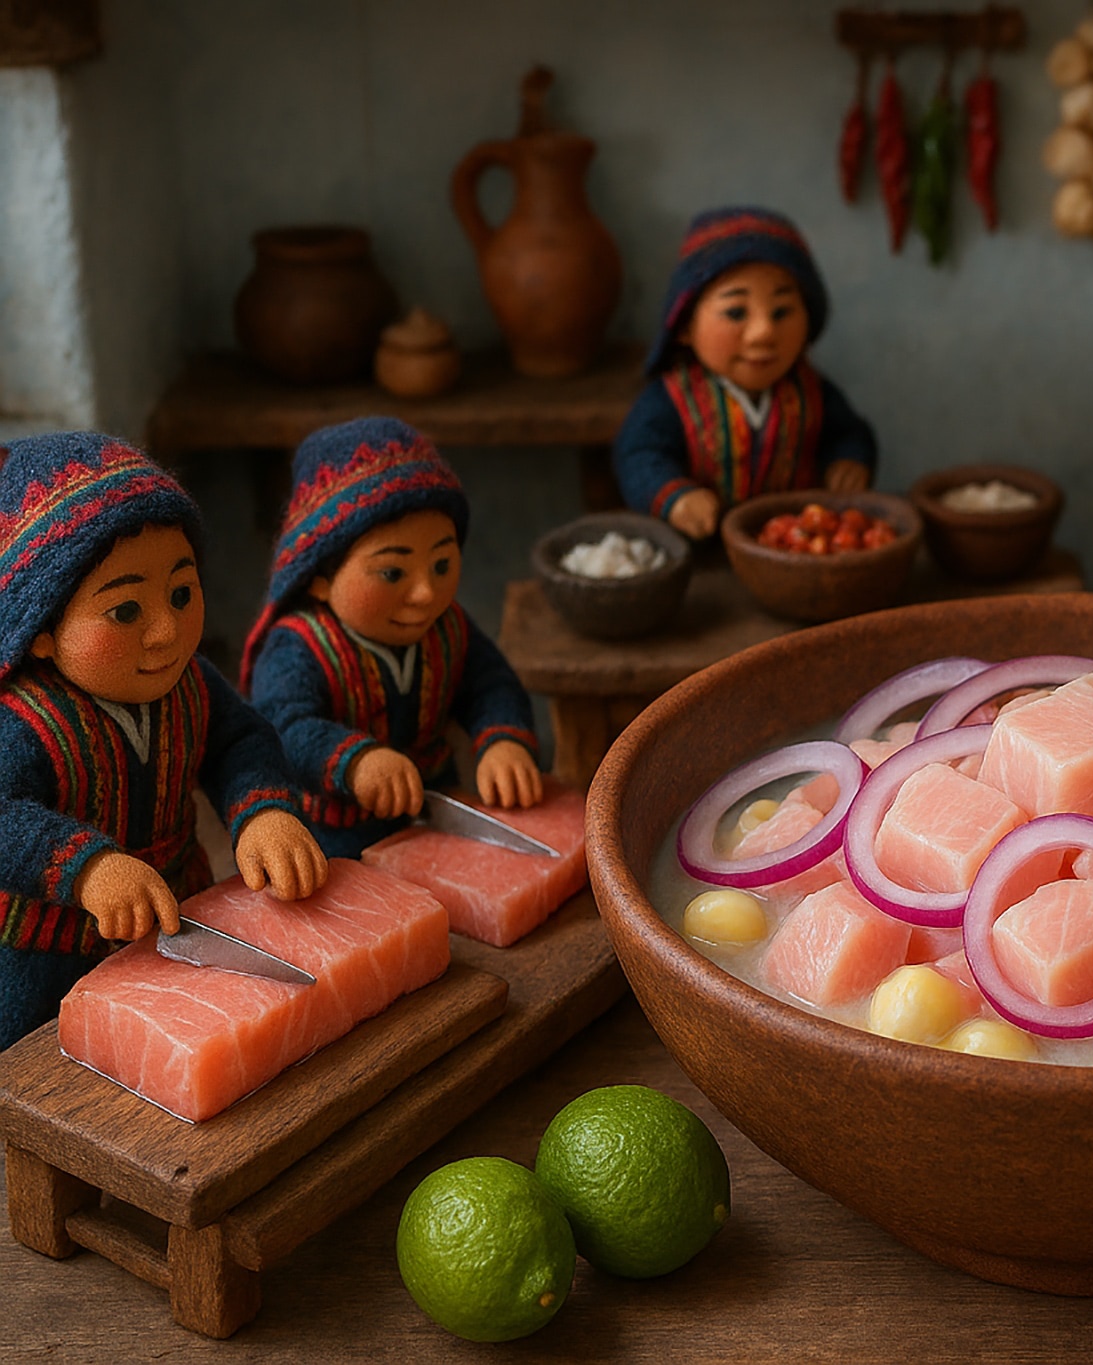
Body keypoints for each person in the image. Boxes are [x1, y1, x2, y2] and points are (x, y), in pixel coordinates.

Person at [0, 432, 327, 1050]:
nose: (166, 632)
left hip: (182, 914)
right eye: (125, 611)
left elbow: (239, 741)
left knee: (198, 1050)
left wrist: (263, 811)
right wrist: (89, 869)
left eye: (181, 594)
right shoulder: (23, 721)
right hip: (46, 954)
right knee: (37, 1070)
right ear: (39, 630)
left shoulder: (193, 684)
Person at [241, 417, 543, 859]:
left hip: (439, 813)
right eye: (392, 572)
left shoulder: (449, 627)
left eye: (441, 565)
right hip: (337, 838)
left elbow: (490, 683)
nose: (425, 594)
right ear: (318, 578)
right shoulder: (298, 647)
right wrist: (357, 762)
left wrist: (503, 740)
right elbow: (282, 726)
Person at [611, 206, 878, 540]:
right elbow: (638, 454)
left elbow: (847, 433)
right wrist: (674, 497)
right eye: (736, 312)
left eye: (782, 312)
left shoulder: (811, 392)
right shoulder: (672, 400)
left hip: (796, 550)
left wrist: (849, 461)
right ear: (685, 326)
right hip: (707, 553)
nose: (763, 332)